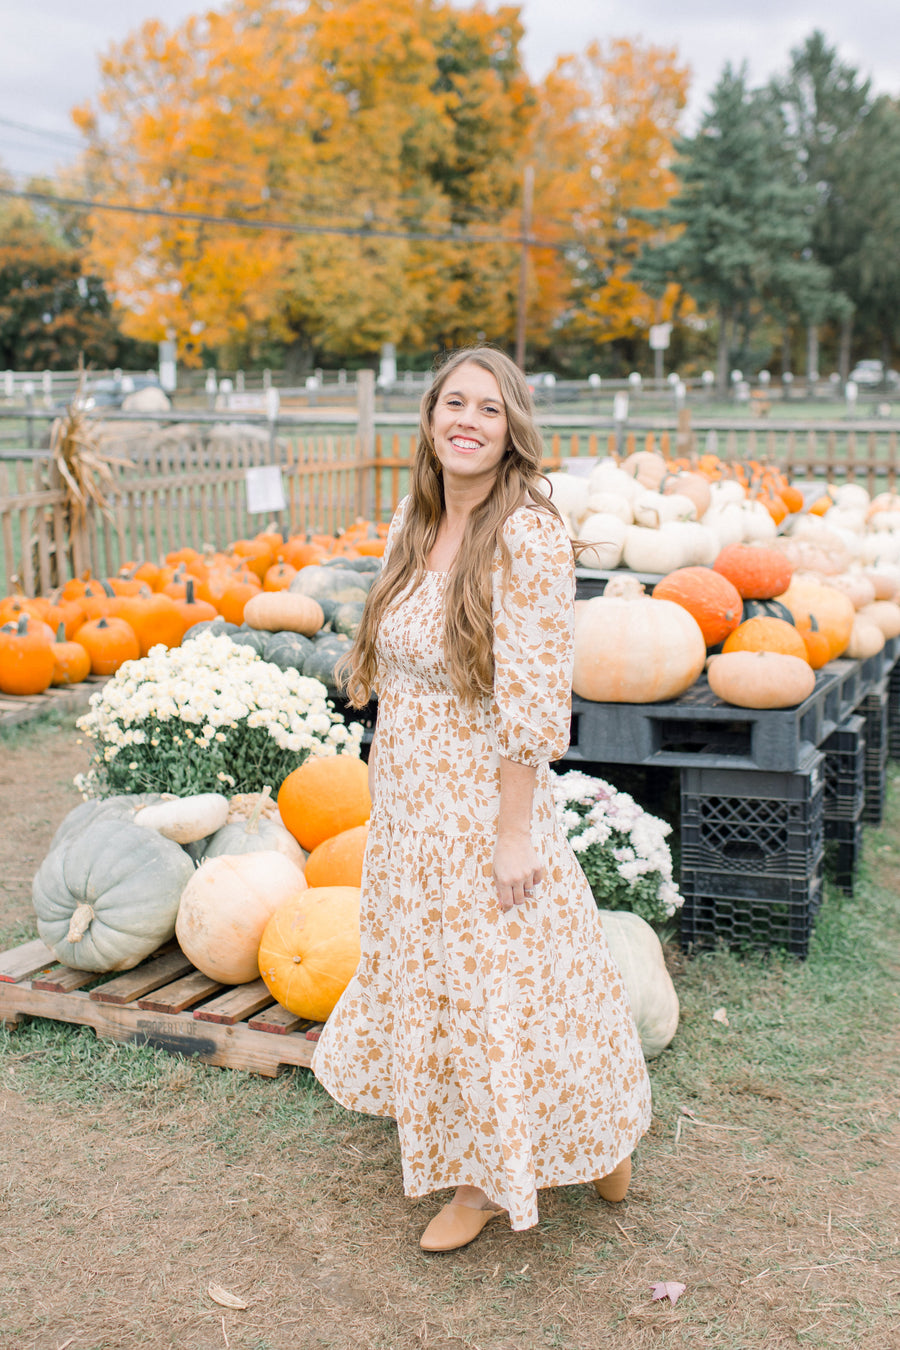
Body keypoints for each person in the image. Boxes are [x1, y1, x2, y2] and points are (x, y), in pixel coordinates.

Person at [311, 346, 651, 1251]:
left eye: (489, 410)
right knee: (484, 977)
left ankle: (486, 1179)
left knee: (497, 982)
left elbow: (534, 701)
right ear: (429, 419)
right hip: (410, 795)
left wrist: (513, 833)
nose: (467, 420)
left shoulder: (528, 535)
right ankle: (591, 1129)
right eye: (453, 403)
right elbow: (399, 666)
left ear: (511, 432)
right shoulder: (415, 518)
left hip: (481, 798)